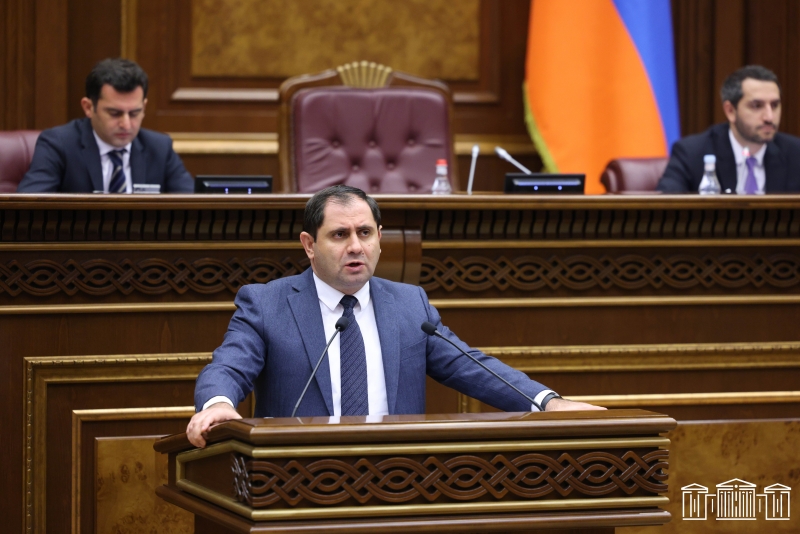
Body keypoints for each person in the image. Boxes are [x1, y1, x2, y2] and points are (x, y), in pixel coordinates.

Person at [187, 185, 603, 447]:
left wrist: (547, 402)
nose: (356, 246)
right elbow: (229, 365)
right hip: (296, 476)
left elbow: (472, 366)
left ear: (380, 239)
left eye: (365, 233)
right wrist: (217, 404)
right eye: (340, 235)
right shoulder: (268, 303)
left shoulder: (408, 305)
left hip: (397, 477)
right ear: (309, 245)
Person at [17, 58, 193, 193]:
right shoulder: (59, 144)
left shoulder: (159, 147)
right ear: (88, 107)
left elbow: (191, 206)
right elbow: (28, 207)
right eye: (114, 113)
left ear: (144, 107)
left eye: (134, 113)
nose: (126, 124)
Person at [657, 65, 800, 194]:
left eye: (774, 105)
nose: (769, 117)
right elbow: (666, 207)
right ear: (730, 111)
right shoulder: (692, 153)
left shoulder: (795, 154)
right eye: (757, 106)